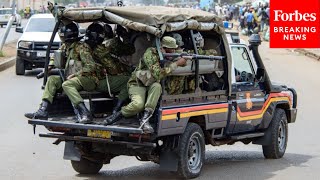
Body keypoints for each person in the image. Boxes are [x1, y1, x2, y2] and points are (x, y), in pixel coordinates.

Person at [103, 36, 187, 133]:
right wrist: (176, 64)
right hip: (138, 83)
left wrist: (183, 58)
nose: (172, 53)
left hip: (151, 84)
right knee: (138, 105)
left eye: (173, 50)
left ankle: (145, 120)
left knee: (157, 86)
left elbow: (182, 61)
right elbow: (158, 73)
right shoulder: (150, 53)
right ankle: (117, 115)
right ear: (162, 48)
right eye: (169, 50)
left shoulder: (169, 55)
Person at [24, 22, 97, 124]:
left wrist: (76, 74)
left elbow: (91, 66)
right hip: (72, 79)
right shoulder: (66, 46)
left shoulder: (82, 48)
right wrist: (49, 67)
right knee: (52, 80)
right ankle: (43, 110)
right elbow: (56, 56)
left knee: (67, 84)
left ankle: (84, 112)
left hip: (87, 79)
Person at [94, 24, 135, 116]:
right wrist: (124, 36)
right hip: (102, 79)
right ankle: (117, 108)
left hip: (96, 77)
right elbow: (130, 50)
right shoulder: (111, 44)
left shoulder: (90, 46)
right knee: (130, 81)